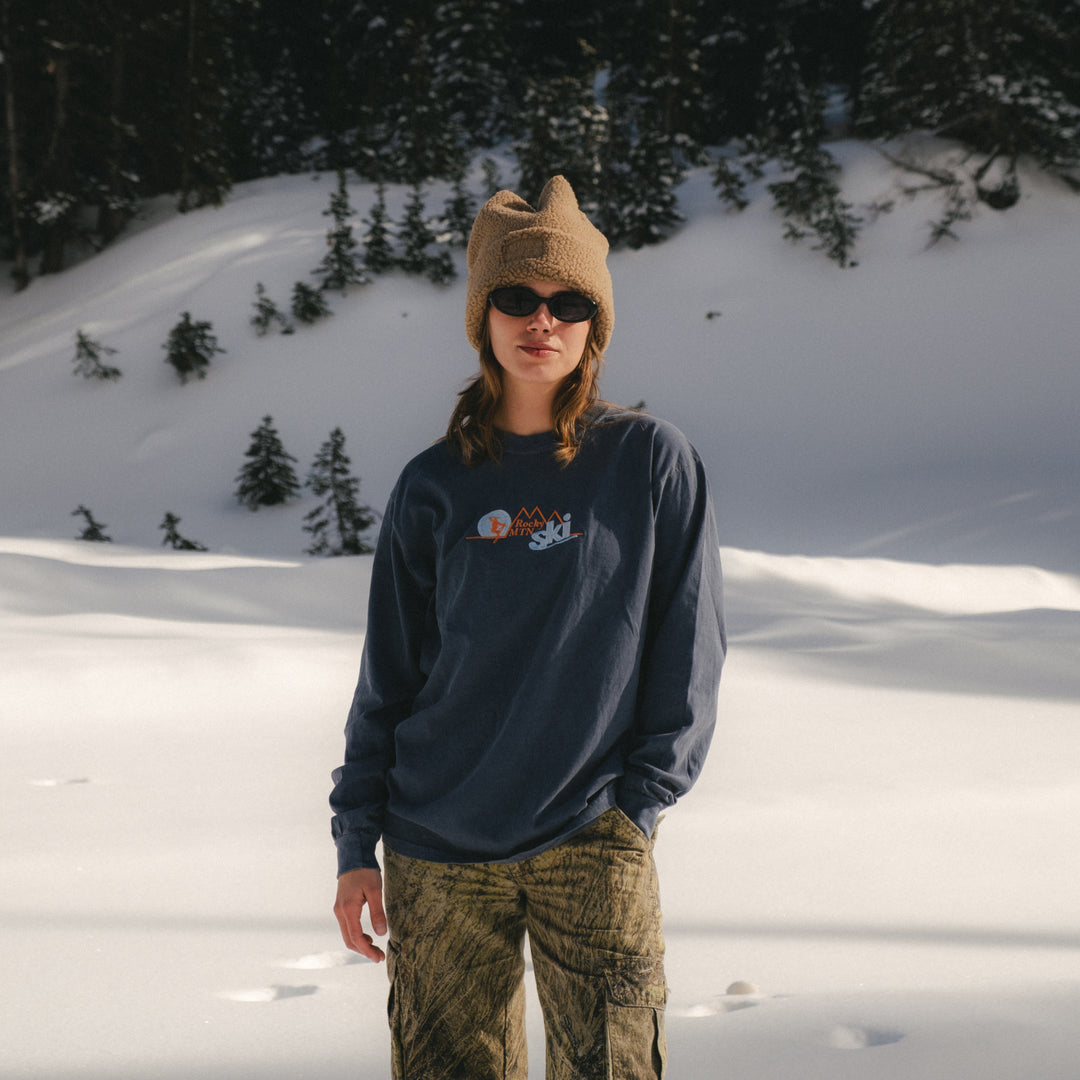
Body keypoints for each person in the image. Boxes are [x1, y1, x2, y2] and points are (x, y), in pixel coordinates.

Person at [331, 175, 725, 1079]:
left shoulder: (649, 461)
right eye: (516, 297)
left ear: (594, 325)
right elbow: (388, 677)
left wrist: (640, 806)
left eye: (568, 302)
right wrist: (356, 841)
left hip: (593, 836)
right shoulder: (433, 484)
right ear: (484, 318)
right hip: (435, 846)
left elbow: (689, 646)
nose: (541, 320)